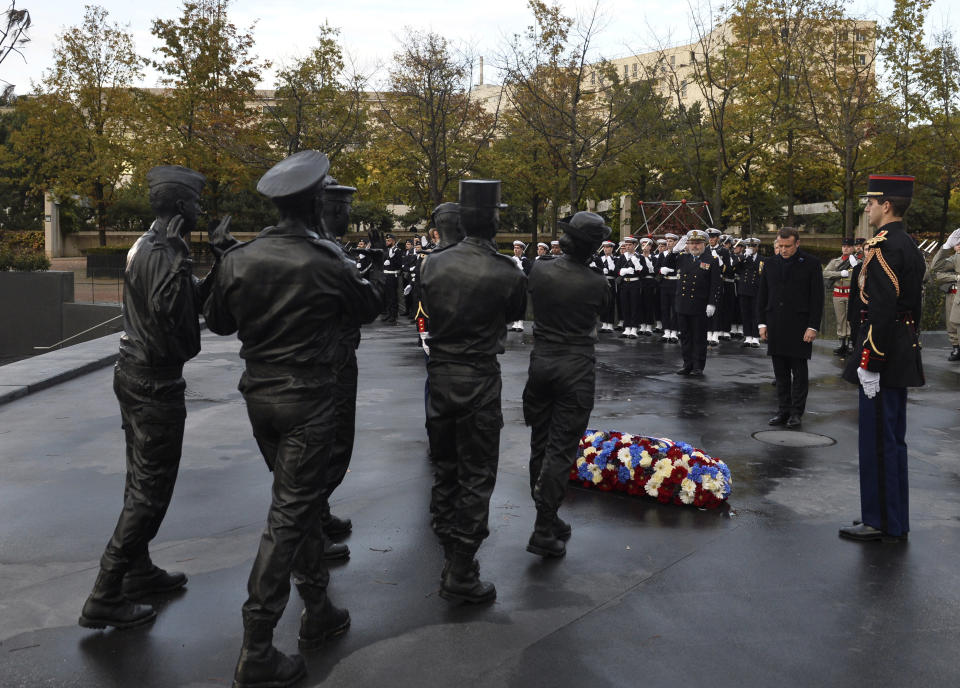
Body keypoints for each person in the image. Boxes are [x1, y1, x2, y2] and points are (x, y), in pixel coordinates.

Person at [204, 151, 385, 688]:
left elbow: (217, 323)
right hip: (309, 398)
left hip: (259, 397)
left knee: (297, 502)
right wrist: (364, 277)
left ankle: (319, 605)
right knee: (287, 515)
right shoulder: (326, 259)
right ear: (312, 202)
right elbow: (368, 309)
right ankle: (256, 646)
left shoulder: (240, 258)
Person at [79, 165, 234, 631]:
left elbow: (188, 306)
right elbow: (172, 314)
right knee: (151, 493)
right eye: (196, 203)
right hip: (154, 384)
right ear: (182, 206)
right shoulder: (164, 252)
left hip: (137, 374)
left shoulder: (152, 245)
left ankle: (138, 571)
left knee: (138, 480)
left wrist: (219, 262)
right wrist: (183, 262)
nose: (200, 210)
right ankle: (105, 593)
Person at [420, 179, 526, 604]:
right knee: (477, 470)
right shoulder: (506, 270)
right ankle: (461, 567)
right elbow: (515, 314)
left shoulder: (432, 263)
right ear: (495, 221)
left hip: (442, 372)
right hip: (479, 374)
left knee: (445, 463)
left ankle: (449, 540)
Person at [839, 174, 925, 543]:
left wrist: (870, 361)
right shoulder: (907, 243)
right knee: (892, 439)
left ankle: (881, 521)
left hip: (882, 356)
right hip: (899, 351)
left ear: (886, 205)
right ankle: (893, 518)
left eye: (871, 203)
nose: (868, 208)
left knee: (878, 440)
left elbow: (882, 311)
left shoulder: (886, 247)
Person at [523, 212, 611, 558]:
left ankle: (547, 515)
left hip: (541, 363)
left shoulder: (541, 268)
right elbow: (605, 310)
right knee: (560, 449)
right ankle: (544, 527)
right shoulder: (596, 283)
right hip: (574, 367)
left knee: (540, 443)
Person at [758, 227, 824, 428]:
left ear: (797, 244)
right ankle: (783, 410)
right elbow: (763, 295)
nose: (783, 249)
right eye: (780, 245)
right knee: (780, 373)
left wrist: (813, 326)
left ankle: (796, 412)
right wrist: (762, 323)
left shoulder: (811, 264)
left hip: (800, 325)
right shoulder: (770, 263)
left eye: (788, 246)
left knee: (799, 372)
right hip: (776, 323)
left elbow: (817, 298)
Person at [674, 229, 721, 376]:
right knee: (685, 337)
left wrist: (712, 303)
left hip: (700, 305)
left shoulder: (711, 260)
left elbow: (715, 284)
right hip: (683, 303)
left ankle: (698, 366)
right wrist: (675, 250)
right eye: (692, 243)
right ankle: (687, 364)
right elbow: (666, 263)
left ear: (704, 244)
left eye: (698, 243)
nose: (694, 246)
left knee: (699, 337)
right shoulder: (683, 258)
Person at [822, 238, 859, 357]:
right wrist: (840, 274)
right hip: (838, 293)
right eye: (844, 246)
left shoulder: (857, 261)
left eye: (848, 246)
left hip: (850, 293)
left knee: (849, 320)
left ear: (852, 248)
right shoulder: (836, 261)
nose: (846, 248)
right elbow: (825, 273)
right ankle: (841, 342)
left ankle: (849, 343)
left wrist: (856, 265)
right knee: (840, 319)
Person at [930, 228, 960, 361]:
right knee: (953, 323)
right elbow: (936, 267)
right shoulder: (957, 258)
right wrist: (947, 246)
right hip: (955, 293)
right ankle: (956, 347)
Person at [732, 238, 762, 348]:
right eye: (749, 246)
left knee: (755, 314)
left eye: (753, 246)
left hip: (756, 290)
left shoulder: (762, 259)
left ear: (757, 247)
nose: (751, 248)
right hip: (744, 290)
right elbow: (733, 266)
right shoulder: (743, 258)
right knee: (745, 314)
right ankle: (748, 336)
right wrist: (744, 256)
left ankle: (756, 337)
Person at [616, 236, 643, 339]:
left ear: (634, 245)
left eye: (629, 245)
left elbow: (642, 272)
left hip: (634, 284)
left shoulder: (639, 257)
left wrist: (637, 264)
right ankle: (627, 328)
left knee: (634, 306)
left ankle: (634, 328)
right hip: (624, 284)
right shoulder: (622, 257)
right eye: (626, 245)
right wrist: (622, 271)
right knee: (625, 306)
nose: (627, 247)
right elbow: (616, 271)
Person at [655, 233, 680, 343]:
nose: (669, 243)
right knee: (664, 308)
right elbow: (656, 269)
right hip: (665, 283)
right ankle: (666, 331)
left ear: (675, 242)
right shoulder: (662, 254)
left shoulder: (680, 254)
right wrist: (661, 271)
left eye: (671, 241)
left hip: (675, 282)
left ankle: (674, 331)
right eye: (668, 241)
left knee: (675, 309)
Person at [594, 239, 618, 332]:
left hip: (611, 281)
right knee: (603, 302)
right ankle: (604, 323)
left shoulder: (615, 258)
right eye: (604, 247)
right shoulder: (600, 259)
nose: (605, 249)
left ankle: (610, 324)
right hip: (602, 281)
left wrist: (611, 266)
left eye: (608, 247)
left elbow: (616, 271)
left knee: (611, 302)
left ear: (612, 248)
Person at [509, 240, 531, 332]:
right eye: (515, 248)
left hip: (521, 285)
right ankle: (515, 324)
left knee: (521, 303)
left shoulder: (525, 260)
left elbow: (527, 272)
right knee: (513, 304)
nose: (516, 250)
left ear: (522, 250)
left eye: (518, 248)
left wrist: (521, 268)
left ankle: (520, 324)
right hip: (513, 284)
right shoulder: (512, 259)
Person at [381, 233, 403, 324]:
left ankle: (394, 315)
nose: (387, 242)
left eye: (388, 240)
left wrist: (392, 260)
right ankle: (389, 314)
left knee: (393, 297)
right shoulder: (387, 250)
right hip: (385, 275)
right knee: (387, 296)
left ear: (393, 241)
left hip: (392, 276)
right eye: (386, 240)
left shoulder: (397, 251)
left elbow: (399, 265)